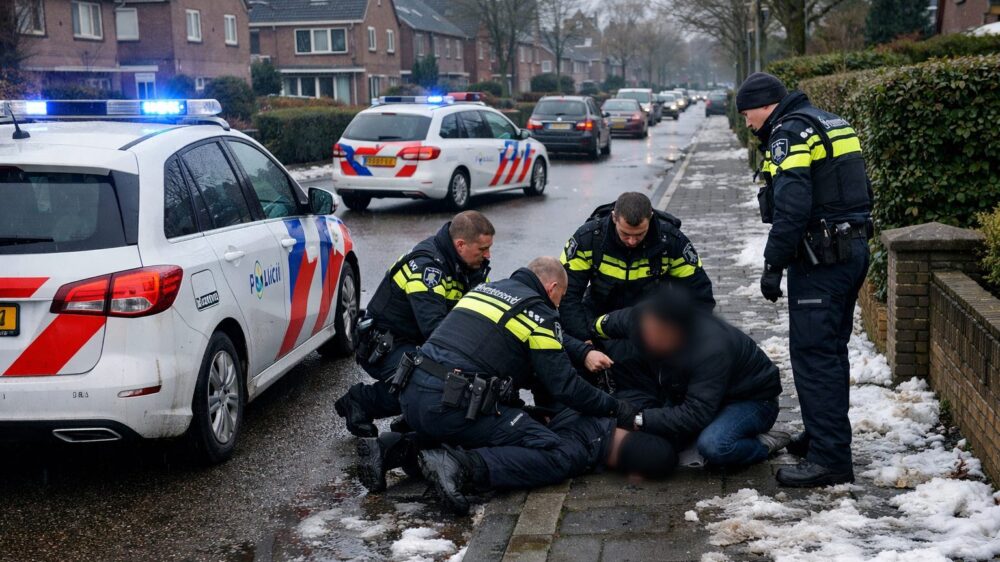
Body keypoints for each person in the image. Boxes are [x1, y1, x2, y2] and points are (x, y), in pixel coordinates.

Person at [391, 257, 634, 514]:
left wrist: (582, 353)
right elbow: (565, 386)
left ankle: (394, 449)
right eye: (560, 298)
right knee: (557, 451)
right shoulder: (539, 313)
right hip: (451, 408)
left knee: (510, 420)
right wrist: (615, 408)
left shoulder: (484, 290)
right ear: (552, 288)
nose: (558, 306)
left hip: (412, 397)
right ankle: (463, 466)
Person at [736, 72, 872, 487]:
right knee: (830, 352)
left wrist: (773, 265)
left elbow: (792, 208)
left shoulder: (789, 134)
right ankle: (820, 435)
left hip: (821, 259)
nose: (747, 123)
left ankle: (830, 460)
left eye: (747, 113)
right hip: (851, 249)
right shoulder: (830, 121)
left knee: (814, 357)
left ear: (765, 105)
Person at [334, 211, 494, 438]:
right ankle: (360, 401)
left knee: (464, 370)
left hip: (415, 341)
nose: (488, 255)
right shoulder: (427, 268)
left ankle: (413, 415)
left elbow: (480, 315)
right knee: (427, 381)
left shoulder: (471, 267)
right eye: (482, 249)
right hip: (384, 344)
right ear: (460, 245)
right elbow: (435, 330)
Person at [595, 287, 788, 467]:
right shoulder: (640, 321)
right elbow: (599, 325)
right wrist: (586, 348)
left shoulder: (711, 348)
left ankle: (763, 443)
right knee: (662, 436)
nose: (650, 339)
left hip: (752, 399)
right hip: (694, 391)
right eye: (647, 331)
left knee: (714, 446)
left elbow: (696, 412)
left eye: (660, 334)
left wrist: (639, 420)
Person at [416, 408, 677, 514]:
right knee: (555, 463)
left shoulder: (601, 411)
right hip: (465, 441)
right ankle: (460, 464)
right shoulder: (574, 453)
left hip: (460, 418)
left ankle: (407, 448)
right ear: (635, 475)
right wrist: (470, 465)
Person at [559, 192, 714, 342]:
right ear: (614, 218)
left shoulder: (671, 242)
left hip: (652, 328)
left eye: (639, 234)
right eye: (625, 234)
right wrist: (584, 341)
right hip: (598, 324)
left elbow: (699, 294)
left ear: (650, 218)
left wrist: (687, 338)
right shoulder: (587, 239)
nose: (632, 241)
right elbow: (567, 295)